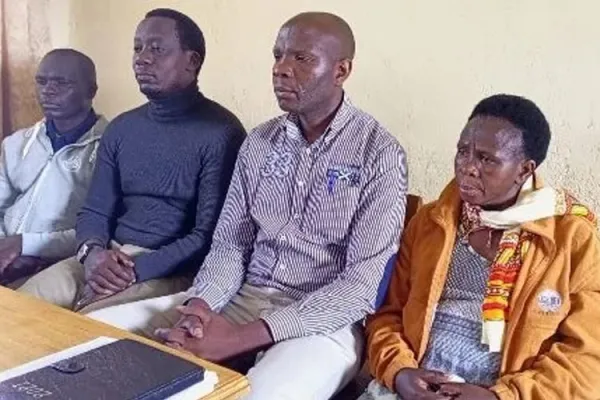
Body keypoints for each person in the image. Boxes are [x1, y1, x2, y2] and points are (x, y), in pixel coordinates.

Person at [88, 11, 408, 400]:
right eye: (277, 56)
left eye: (301, 59)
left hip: (323, 321)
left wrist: (242, 337)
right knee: (93, 337)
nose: (281, 69)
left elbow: (361, 287)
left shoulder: (380, 154)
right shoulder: (260, 142)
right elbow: (229, 245)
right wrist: (199, 307)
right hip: (241, 298)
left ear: (341, 70)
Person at [361, 94, 600, 400]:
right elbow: (387, 315)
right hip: (415, 387)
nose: (467, 167)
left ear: (524, 170)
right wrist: (400, 373)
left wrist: (502, 396)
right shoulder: (430, 223)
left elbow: (587, 357)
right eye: (463, 151)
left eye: (487, 159)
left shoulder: (571, 240)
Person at [18, 8, 246, 313]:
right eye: (137, 48)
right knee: (17, 307)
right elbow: (95, 210)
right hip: (106, 257)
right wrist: (92, 253)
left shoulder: (222, 132)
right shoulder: (122, 128)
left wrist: (133, 271)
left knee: (87, 327)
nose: (142, 58)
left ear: (192, 61)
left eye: (157, 48)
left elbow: (208, 237)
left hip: (168, 269)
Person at [0, 49, 107, 288]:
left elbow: (100, 229)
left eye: (62, 83)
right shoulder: (17, 143)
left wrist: (26, 245)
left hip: (59, 261)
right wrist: (5, 246)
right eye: (41, 81)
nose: (48, 90)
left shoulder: (109, 148)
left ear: (91, 91)